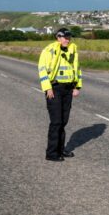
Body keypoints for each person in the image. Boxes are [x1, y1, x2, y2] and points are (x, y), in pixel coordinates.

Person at [38, 28, 82, 162]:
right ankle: (51, 153)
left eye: (69, 37)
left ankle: (61, 149)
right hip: (54, 88)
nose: (67, 40)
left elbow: (77, 69)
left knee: (63, 121)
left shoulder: (73, 49)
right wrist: (47, 88)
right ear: (58, 37)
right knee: (56, 121)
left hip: (68, 89)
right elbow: (42, 69)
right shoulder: (49, 50)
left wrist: (77, 86)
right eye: (64, 37)